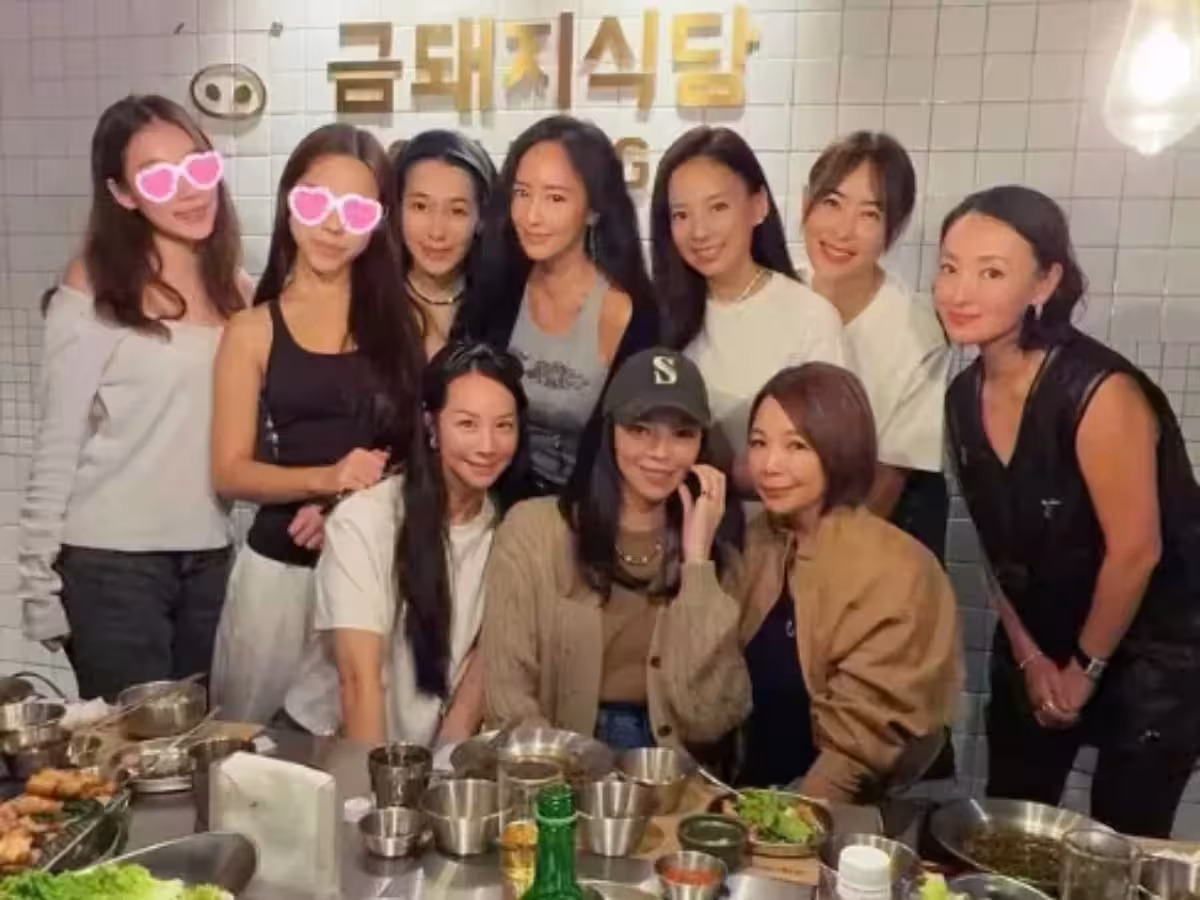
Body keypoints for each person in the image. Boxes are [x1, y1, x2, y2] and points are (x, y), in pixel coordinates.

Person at [938, 185, 1200, 838]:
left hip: (1155, 655)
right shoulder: (962, 396)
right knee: (1010, 833)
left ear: (1045, 281)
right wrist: (1031, 660)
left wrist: (1085, 670)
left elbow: (1136, 551)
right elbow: (996, 549)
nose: (960, 291)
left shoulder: (1100, 392)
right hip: (1040, 643)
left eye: (991, 272)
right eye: (949, 267)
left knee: (1125, 843)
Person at [16, 95, 248, 701]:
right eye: (157, 176)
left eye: (196, 165)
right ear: (122, 194)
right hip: (111, 566)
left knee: (198, 741)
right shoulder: (93, 284)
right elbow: (57, 443)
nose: (189, 190)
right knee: (130, 748)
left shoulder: (239, 293)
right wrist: (37, 585)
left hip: (209, 560)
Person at [210, 123, 424, 724]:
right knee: (248, 744)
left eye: (356, 210)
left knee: (361, 743)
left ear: (379, 222)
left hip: (371, 567)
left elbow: (417, 451)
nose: (333, 225)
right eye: (315, 201)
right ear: (289, 202)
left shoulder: (404, 323)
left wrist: (346, 510)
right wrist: (326, 479)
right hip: (279, 570)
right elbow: (229, 472)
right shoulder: (251, 330)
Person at [481, 348, 748, 751]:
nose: (661, 452)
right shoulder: (533, 531)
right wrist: (560, 773)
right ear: (610, 433)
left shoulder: (716, 550)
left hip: (668, 767)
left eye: (682, 434)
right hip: (557, 758)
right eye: (640, 430)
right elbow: (508, 699)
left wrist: (697, 565)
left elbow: (709, 719)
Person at [285, 342, 527, 745]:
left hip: (421, 756)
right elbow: (358, 681)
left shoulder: (509, 528)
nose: (488, 446)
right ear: (431, 425)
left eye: (503, 425)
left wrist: (446, 758)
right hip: (332, 745)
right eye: (467, 424)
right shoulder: (365, 520)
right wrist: (379, 782)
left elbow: (484, 659)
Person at [737, 363, 960, 800]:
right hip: (756, 797)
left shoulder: (898, 567)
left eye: (796, 445)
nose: (769, 465)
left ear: (840, 449)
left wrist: (792, 821)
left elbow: (863, 745)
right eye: (759, 443)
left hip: (855, 814)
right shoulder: (757, 541)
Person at [454, 115, 659, 499]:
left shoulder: (625, 312)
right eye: (522, 193)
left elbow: (635, 445)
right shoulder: (496, 290)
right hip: (491, 498)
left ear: (593, 210)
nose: (532, 216)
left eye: (555, 198)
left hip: (585, 508)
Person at [651, 126, 845, 488]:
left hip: (771, 517)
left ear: (758, 206)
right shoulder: (655, 313)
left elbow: (827, 457)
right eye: (681, 215)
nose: (699, 231)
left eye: (717, 207)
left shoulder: (810, 318)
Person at [800, 132, 950, 559]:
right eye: (831, 203)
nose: (843, 230)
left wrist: (821, 558)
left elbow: (892, 474)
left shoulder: (918, 330)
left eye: (869, 214)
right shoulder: (778, 293)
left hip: (868, 535)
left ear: (892, 229)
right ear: (805, 203)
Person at [393, 131, 496, 358]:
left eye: (457, 211)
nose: (437, 232)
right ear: (397, 209)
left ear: (481, 218)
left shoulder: (504, 305)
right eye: (420, 206)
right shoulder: (370, 299)